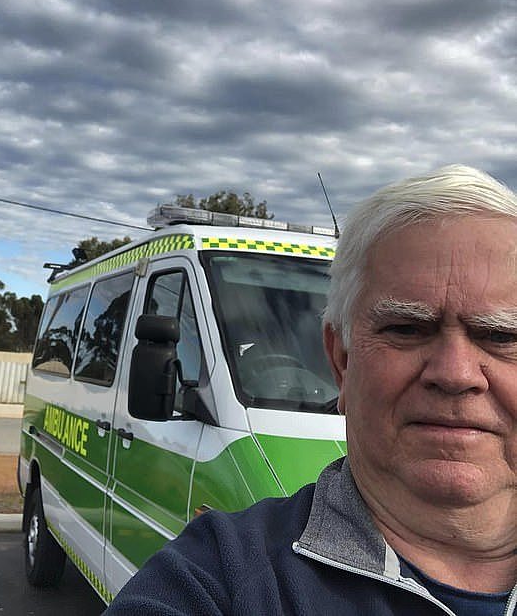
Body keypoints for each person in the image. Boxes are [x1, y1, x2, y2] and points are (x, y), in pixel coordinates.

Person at [105, 165, 517, 615]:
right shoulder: (219, 577)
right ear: (341, 359)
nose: (456, 374)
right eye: (405, 328)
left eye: (502, 336)